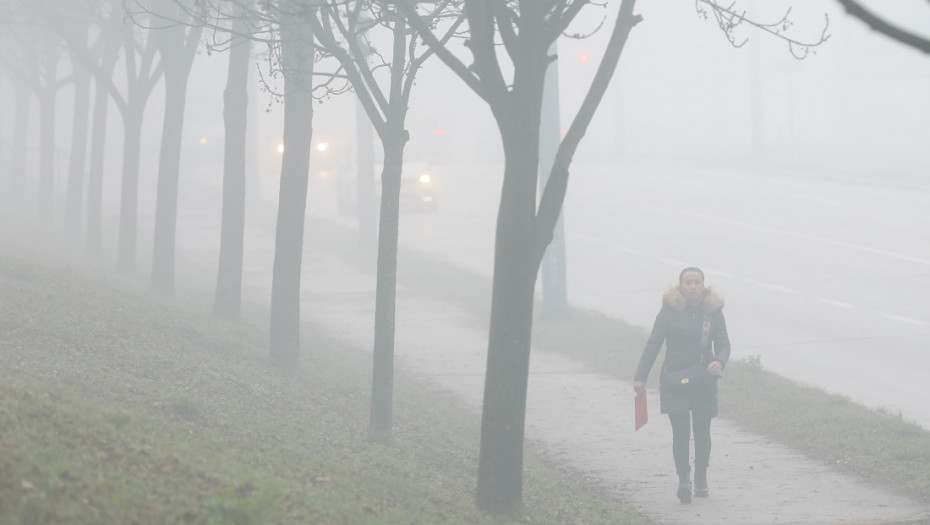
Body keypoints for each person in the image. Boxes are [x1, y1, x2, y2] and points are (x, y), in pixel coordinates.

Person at [633, 267, 730, 504]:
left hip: (704, 382)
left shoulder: (713, 312)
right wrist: (640, 376)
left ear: (704, 285)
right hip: (674, 380)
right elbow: (653, 344)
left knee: (702, 431)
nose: (693, 286)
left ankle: (701, 479)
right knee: (680, 432)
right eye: (688, 282)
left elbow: (724, 343)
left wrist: (719, 361)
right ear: (680, 286)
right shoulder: (669, 311)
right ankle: (683, 480)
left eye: (697, 282)